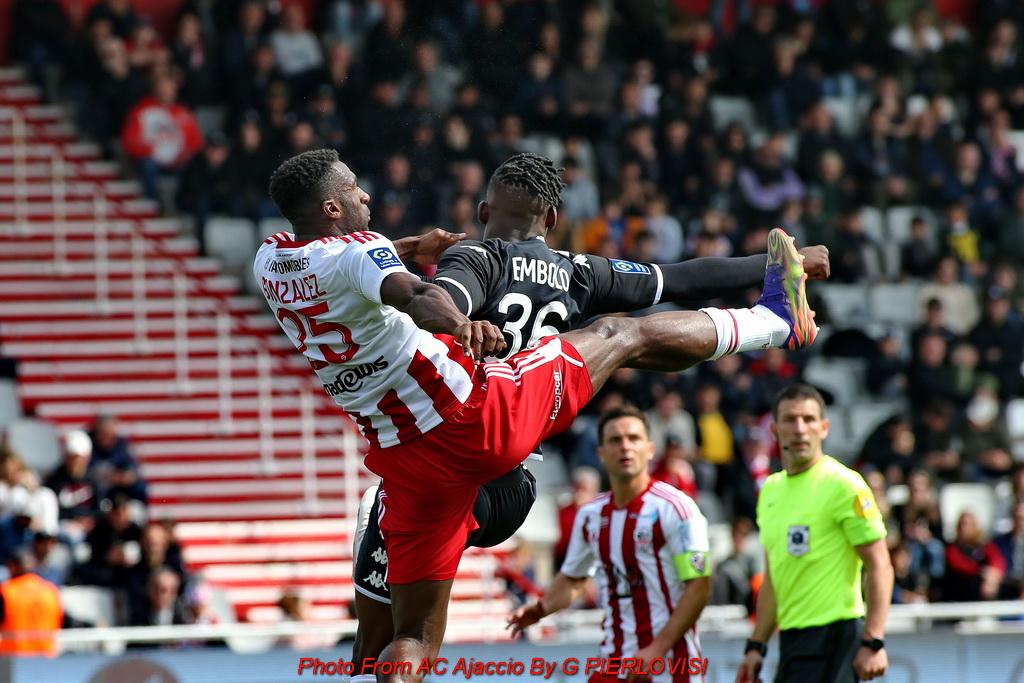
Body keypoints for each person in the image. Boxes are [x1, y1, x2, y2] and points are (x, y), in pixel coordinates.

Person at [255, 149, 818, 683]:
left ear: (483, 214)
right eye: (354, 190)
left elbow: (348, 266)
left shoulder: (271, 261)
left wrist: (408, 253)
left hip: (405, 458)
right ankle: (776, 322)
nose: (366, 196)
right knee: (620, 334)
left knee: (409, 638)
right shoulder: (576, 270)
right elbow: (416, 296)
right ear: (552, 216)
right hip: (482, 424)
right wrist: (458, 322)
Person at [508, 406, 713, 683]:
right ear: (601, 453)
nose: (625, 447)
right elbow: (573, 580)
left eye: (634, 438)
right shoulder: (591, 516)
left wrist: (656, 649)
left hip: (671, 667)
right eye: (615, 440)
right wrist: (541, 608)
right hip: (614, 665)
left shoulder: (677, 509)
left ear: (650, 449)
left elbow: (699, 586)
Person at [736, 385, 893, 683]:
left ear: (824, 428)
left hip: (839, 636)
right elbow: (773, 579)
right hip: (793, 640)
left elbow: (880, 565)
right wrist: (756, 646)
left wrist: (874, 640)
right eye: (790, 419)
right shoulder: (770, 491)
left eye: (808, 419)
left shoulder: (844, 485)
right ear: (774, 429)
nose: (799, 429)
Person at [0, 550, 63, 656]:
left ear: (13, 566)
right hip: (47, 660)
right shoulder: (51, 590)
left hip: (13, 663)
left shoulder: (6, 591)